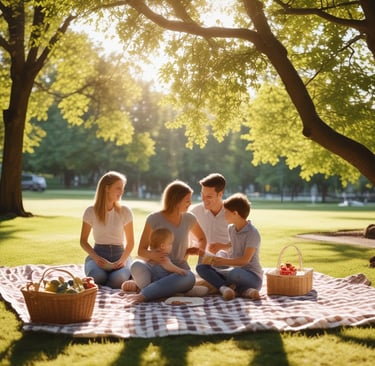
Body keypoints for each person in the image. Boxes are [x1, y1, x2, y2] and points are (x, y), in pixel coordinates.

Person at [125, 180, 207, 303]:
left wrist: (188, 253)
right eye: (187, 200)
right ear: (176, 200)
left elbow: (202, 239)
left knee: (189, 277)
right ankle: (173, 290)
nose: (190, 203)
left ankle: (145, 293)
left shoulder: (189, 218)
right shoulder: (153, 219)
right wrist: (155, 256)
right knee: (136, 265)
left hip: (177, 270)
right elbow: (141, 250)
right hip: (156, 269)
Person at [196, 193, 263, 301]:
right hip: (235, 272)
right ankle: (230, 289)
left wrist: (223, 261)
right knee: (201, 267)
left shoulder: (252, 233)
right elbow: (234, 243)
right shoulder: (231, 229)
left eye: (226, 212)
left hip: (252, 277)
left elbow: (244, 261)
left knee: (234, 273)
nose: (224, 214)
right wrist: (221, 246)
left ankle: (223, 286)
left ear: (235, 213)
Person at [80, 171, 134, 289]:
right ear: (107, 188)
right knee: (96, 277)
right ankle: (103, 277)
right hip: (98, 254)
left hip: (120, 255)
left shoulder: (125, 211)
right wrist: (96, 258)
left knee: (118, 280)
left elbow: (131, 242)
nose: (122, 192)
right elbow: (83, 241)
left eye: (122, 188)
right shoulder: (90, 211)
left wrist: (123, 260)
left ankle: (113, 278)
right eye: (118, 188)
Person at [190, 173, 230, 255]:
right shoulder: (195, 212)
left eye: (209, 197)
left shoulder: (233, 213)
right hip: (204, 264)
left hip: (229, 263)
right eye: (202, 195)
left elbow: (244, 241)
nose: (204, 200)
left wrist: (224, 246)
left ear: (220, 194)